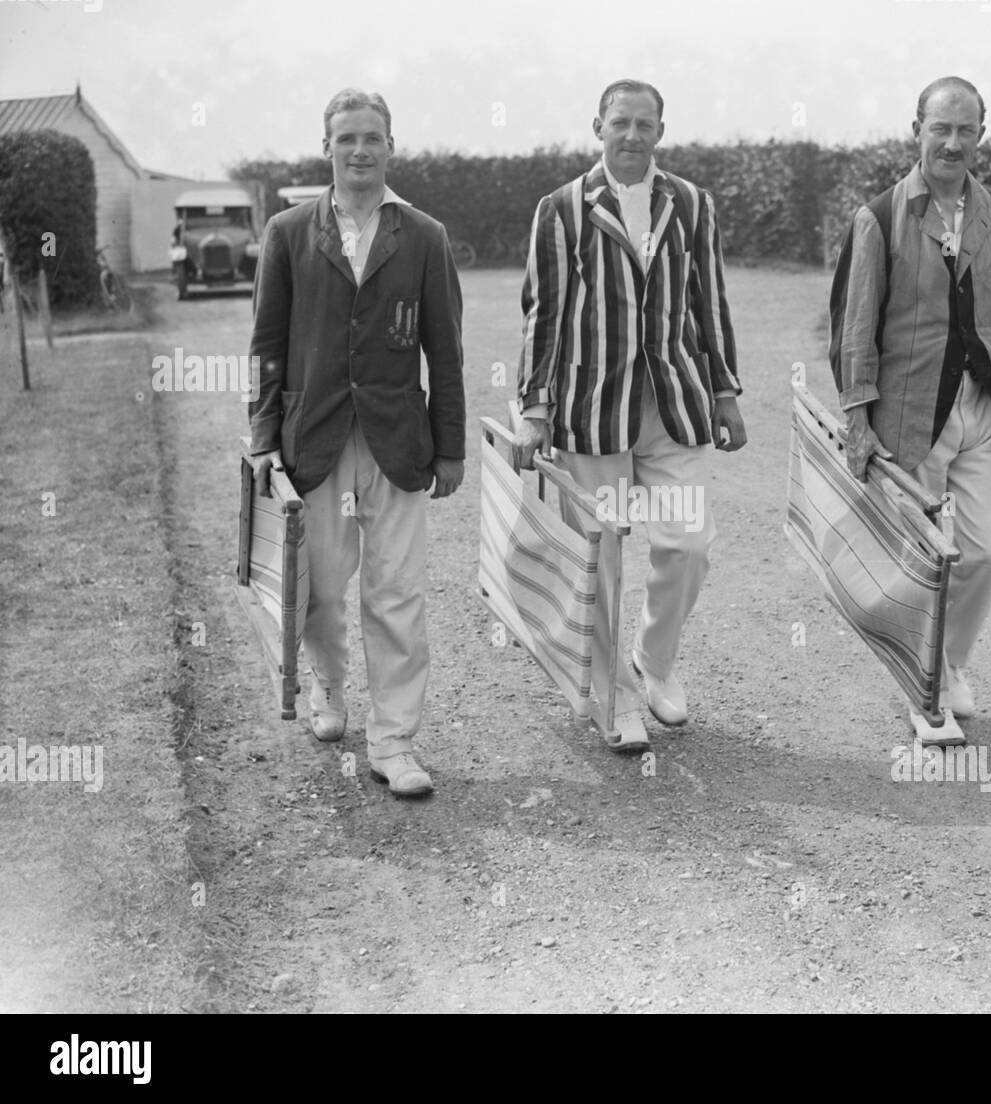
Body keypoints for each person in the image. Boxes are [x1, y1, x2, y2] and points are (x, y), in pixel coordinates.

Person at [516, 78, 747, 751]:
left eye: (646, 124)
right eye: (621, 122)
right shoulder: (561, 208)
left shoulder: (691, 204)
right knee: (603, 556)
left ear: (661, 132)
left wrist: (726, 392)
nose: (633, 135)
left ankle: (656, 662)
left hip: (673, 403)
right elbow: (544, 313)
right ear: (598, 126)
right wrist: (535, 407)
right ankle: (613, 694)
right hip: (592, 410)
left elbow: (711, 305)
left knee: (688, 544)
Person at [248, 88, 466, 796]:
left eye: (373, 138)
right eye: (347, 139)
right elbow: (266, 345)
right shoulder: (287, 232)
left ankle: (396, 742)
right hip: (314, 441)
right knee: (317, 592)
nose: (361, 150)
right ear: (327, 148)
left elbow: (448, 352)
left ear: (391, 148)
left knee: (397, 593)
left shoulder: (424, 236)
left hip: (397, 445)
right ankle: (328, 689)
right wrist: (262, 439)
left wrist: (452, 447)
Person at [836, 76, 991, 745]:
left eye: (966, 131)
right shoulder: (880, 216)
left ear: (981, 135)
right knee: (922, 558)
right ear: (917, 130)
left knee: (987, 550)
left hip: (984, 407)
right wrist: (857, 416)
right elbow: (854, 325)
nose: (952, 143)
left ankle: (949, 660)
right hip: (912, 414)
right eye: (940, 129)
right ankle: (923, 693)